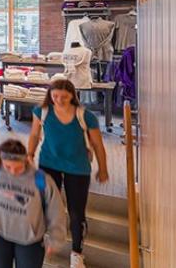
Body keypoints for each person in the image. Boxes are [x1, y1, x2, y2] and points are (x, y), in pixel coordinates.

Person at [27, 79, 109, 268]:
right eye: (55, 96)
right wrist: (30, 154)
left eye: (64, 97)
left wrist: (103, 169)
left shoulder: (85, 116)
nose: (59, 100)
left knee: (76, 212)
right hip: (49, 163)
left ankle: (77, 254)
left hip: (77, 167)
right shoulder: (42, 112)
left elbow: (97, 144)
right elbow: (33, 135)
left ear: (72, 96)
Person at [0, 140, 67, 268]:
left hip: (30, 241)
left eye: (18, 168)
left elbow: (56, 210)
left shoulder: (41, 179)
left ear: (25, 161)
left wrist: (56, 238)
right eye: (8, 167)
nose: (12, 172)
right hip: (0, 235)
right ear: (1, 161)